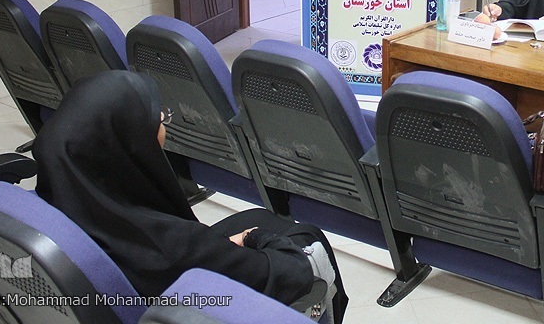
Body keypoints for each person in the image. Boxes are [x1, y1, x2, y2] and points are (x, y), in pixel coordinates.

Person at [33, 70, 347, 322]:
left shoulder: (61, 191)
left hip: (136, 282)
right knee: (307, 237)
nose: (163, 123)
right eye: (155, 120)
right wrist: (255, 238)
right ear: (128, 143)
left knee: (261, 216)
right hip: (184, 300)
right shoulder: (170, 247)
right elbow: (293, 272)